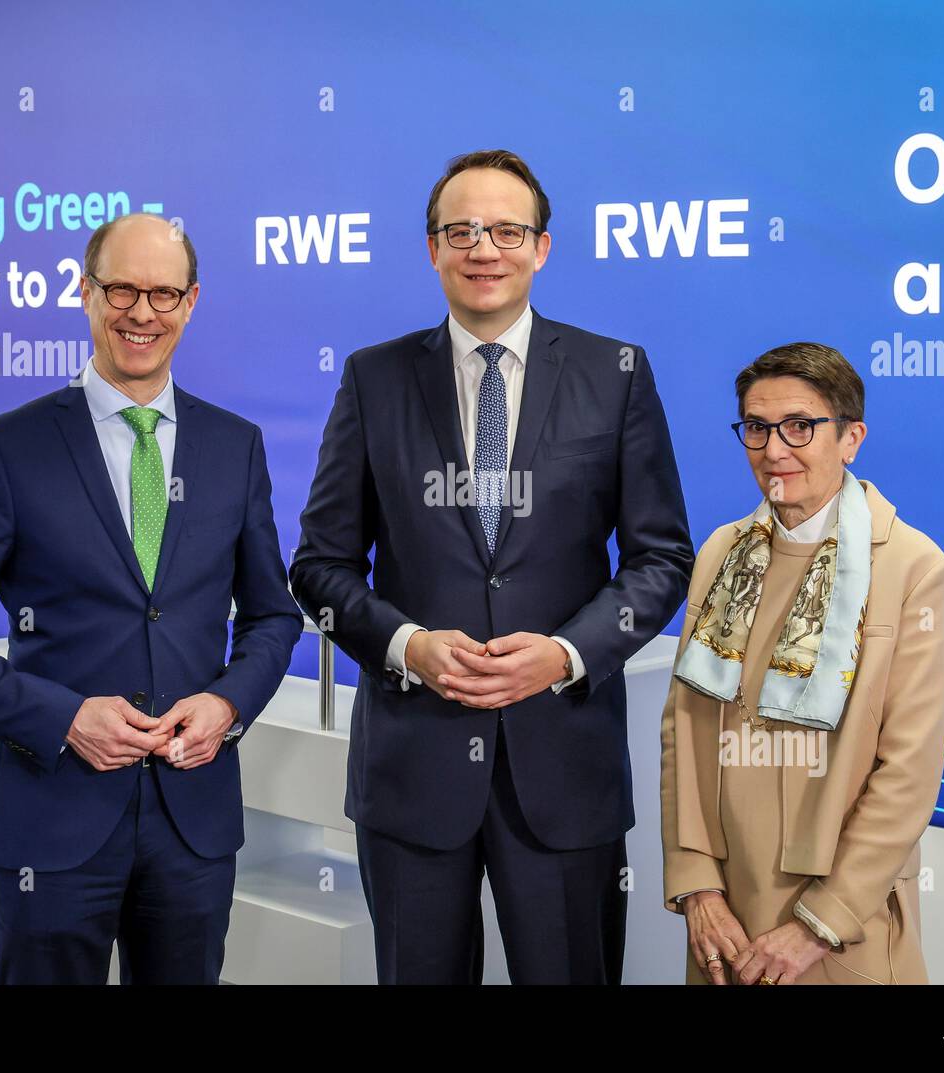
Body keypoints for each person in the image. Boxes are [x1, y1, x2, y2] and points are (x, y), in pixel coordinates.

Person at [290, 149, 693, 984]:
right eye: (461, 230)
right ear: (432, 247)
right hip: (412, 772)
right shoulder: (373, 378)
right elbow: (321, 565)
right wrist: (406, 645)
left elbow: (660, 558)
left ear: (541, 248)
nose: (485, 249)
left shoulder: (614, 374)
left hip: (563, 766)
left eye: (507, 230)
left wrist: (567, 653)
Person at [0, 213, 303, 984]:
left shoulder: (234, 445)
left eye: (163, 293)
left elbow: (273, 615)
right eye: (121, 289)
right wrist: (63, 717)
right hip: (51, 825)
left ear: (191, 301)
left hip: (193, 824)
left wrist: (227, 705)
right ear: (85, 293)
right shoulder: (7, 447)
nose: (141, 312)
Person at [659, 342, 944, 985]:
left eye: (800, 426)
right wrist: (698, 888)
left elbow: (909, 770)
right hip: (726, 922)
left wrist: (822, 921)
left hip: (842, 927)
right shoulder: (720, 553)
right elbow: (684, 730)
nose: (773, 449)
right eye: (757, 428)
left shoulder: (909, 566)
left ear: (852, 438)